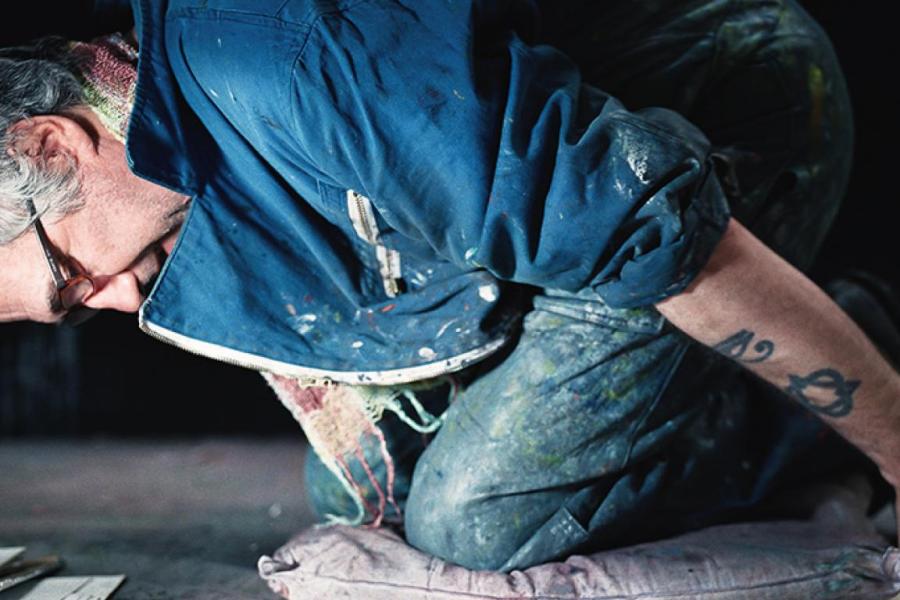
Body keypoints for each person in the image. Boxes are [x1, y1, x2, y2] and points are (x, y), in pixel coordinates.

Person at [1, 0, 899, 572]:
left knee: (472, 521)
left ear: (50, 145)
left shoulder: (293, 62)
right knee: (351, 501)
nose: (110, 302)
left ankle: (859, 347)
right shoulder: (161, 150)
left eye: (68, 279)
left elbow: (660, 238)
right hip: (545, 236)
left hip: (727, 108)